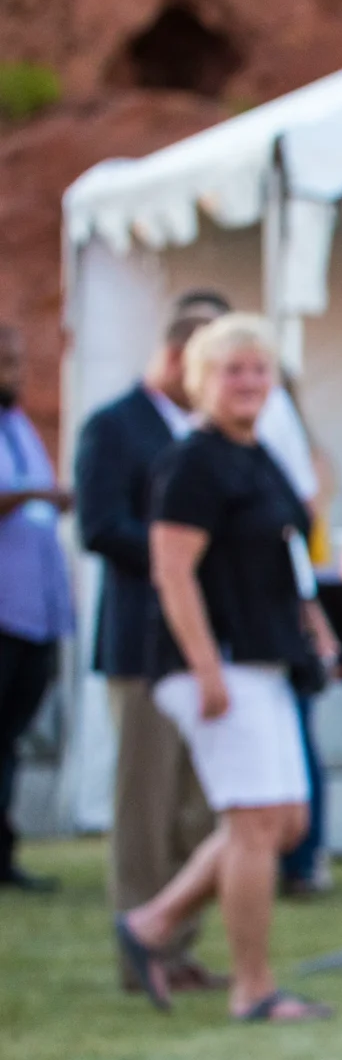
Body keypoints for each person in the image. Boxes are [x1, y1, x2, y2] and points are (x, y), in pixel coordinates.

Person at [114, 313, 338, 1022]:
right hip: (218, 664)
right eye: (232, 370)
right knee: (255, 821)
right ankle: (254, 988)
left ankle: (151, 922)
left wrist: (315, 624)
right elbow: (172, 571)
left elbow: (288, 553)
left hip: (266, 659)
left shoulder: (259, 453)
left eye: (259, 370)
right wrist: (206, 667)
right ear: (199, 378)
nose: (248, 382)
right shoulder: (193, 460)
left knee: (287, 821)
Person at [77, 296, 228, 976]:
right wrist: (183, 551)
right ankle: (142, 948)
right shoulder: (114, 425)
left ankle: (176, 940)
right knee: (145, 803)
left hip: (201, 645)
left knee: (198, 807)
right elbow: (99, 526)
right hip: (140, 643)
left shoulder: (204, 431)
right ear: (175, 358)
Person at [0, 325, 74, 892]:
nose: (15, 372)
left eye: (16, 360)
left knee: (11, 736)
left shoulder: (18, 424)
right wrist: (39, 495)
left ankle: (4, 853)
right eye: (5, 361)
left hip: (32, 611)